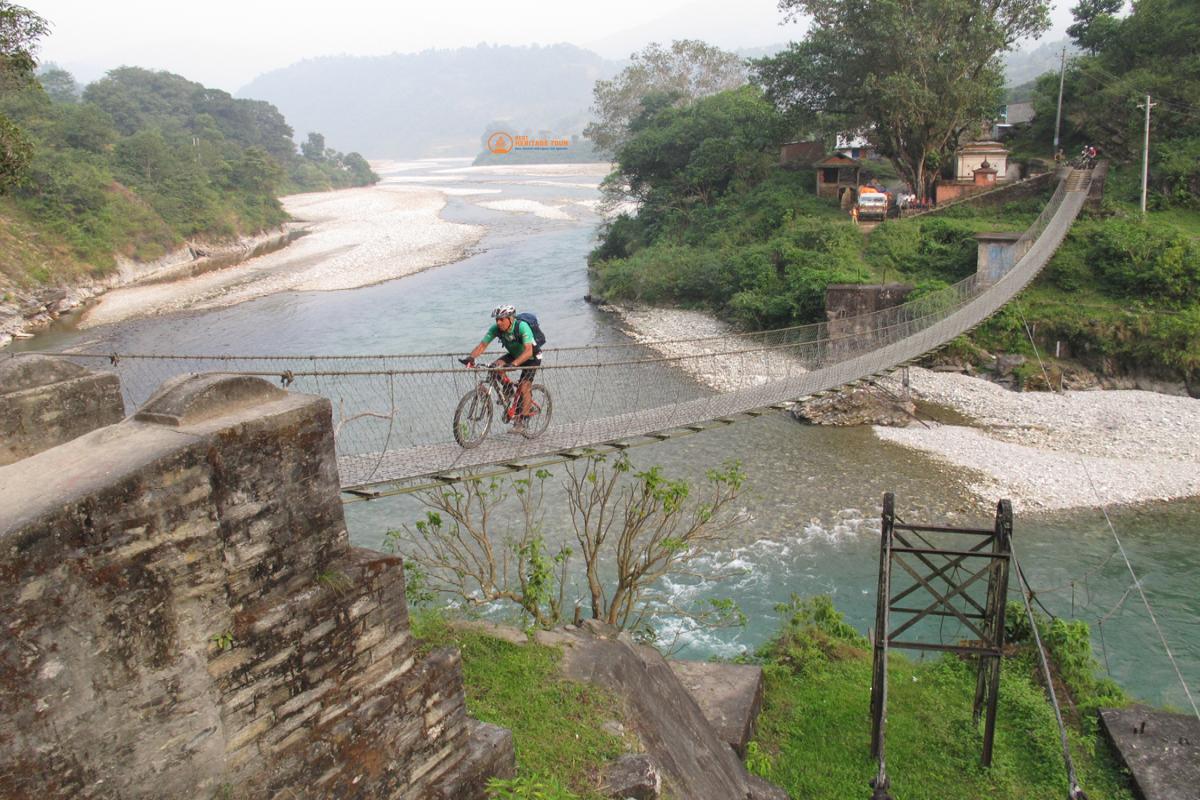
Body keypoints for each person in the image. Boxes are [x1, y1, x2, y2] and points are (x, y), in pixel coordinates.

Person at [464, 304, 541, 432]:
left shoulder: (522, 327)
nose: (498, 322)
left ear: (511, 318)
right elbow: (482, 345)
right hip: (515, 354)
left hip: (532, 357)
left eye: (502, 319)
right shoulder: (496, 329)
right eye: (497, 319)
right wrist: (471, 358)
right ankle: (509, 391)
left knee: (523, 387)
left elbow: (528, 351)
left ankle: (523, 420)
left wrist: (514, 364)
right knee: (495, 367)